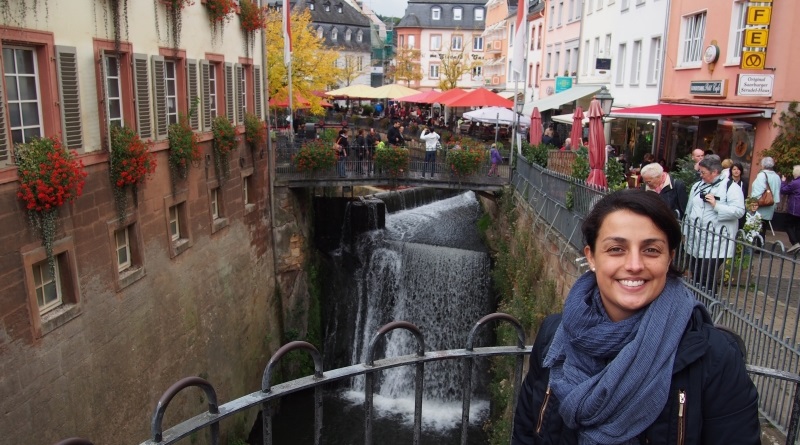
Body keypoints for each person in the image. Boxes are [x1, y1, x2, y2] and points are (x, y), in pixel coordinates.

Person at [512, 189, 760, 445]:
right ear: (591, 256)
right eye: (616, 249)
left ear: (669, 258)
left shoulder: (712, 357)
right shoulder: (554, 337)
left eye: (651, 250)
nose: (634, 264)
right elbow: (525, 434)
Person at [683, 155, 745, 293]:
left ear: (715, 172)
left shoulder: (731, 188)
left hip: (716, 242)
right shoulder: (697, 186)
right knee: (696, 275)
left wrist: (717, 205)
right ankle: (695, 305)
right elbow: (689, 210)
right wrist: (685, 233)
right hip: (695, 241)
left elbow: (739, 211)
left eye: (703, 172)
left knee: (706, 277)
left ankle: (706, 308)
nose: (700, 175)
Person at [750, 156, 782, 242]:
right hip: (771, 205)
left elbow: (757, 192)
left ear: (763, 165)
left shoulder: (761, 175)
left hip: (760, 206)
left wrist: (752, 203)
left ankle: (754, 248)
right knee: (763, 229)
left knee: (755, 228)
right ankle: (760, 247)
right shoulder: (777, 177)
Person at [780, 165, 800, 253]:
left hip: (794, 209)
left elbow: (783, 190)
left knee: (787, 224)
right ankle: (798, 245)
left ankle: (795, 243)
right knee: (798, 227)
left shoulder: (795, 183)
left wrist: (783, 182)